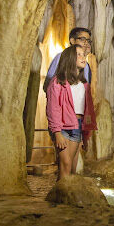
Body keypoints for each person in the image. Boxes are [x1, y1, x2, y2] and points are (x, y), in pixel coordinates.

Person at [46, 44, 97, 180]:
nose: (83, 57)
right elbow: (53, 109)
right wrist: (57, 132)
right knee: (65, 164)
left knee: (72, 169)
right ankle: (60, 200)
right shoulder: (58, 83)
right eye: (79, 54)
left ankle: (63, 198)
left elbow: (87, 111)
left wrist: (86, 135)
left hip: (77, 126)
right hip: (62, 127)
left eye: (83, 55)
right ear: (69, 59)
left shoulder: (84, 85)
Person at [44, 27, 93, 92]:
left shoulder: (86, 65)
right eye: (82, 39)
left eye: (88, 41)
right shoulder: (61, 57)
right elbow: (48, 83)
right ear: (72, 41)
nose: (86, 43)